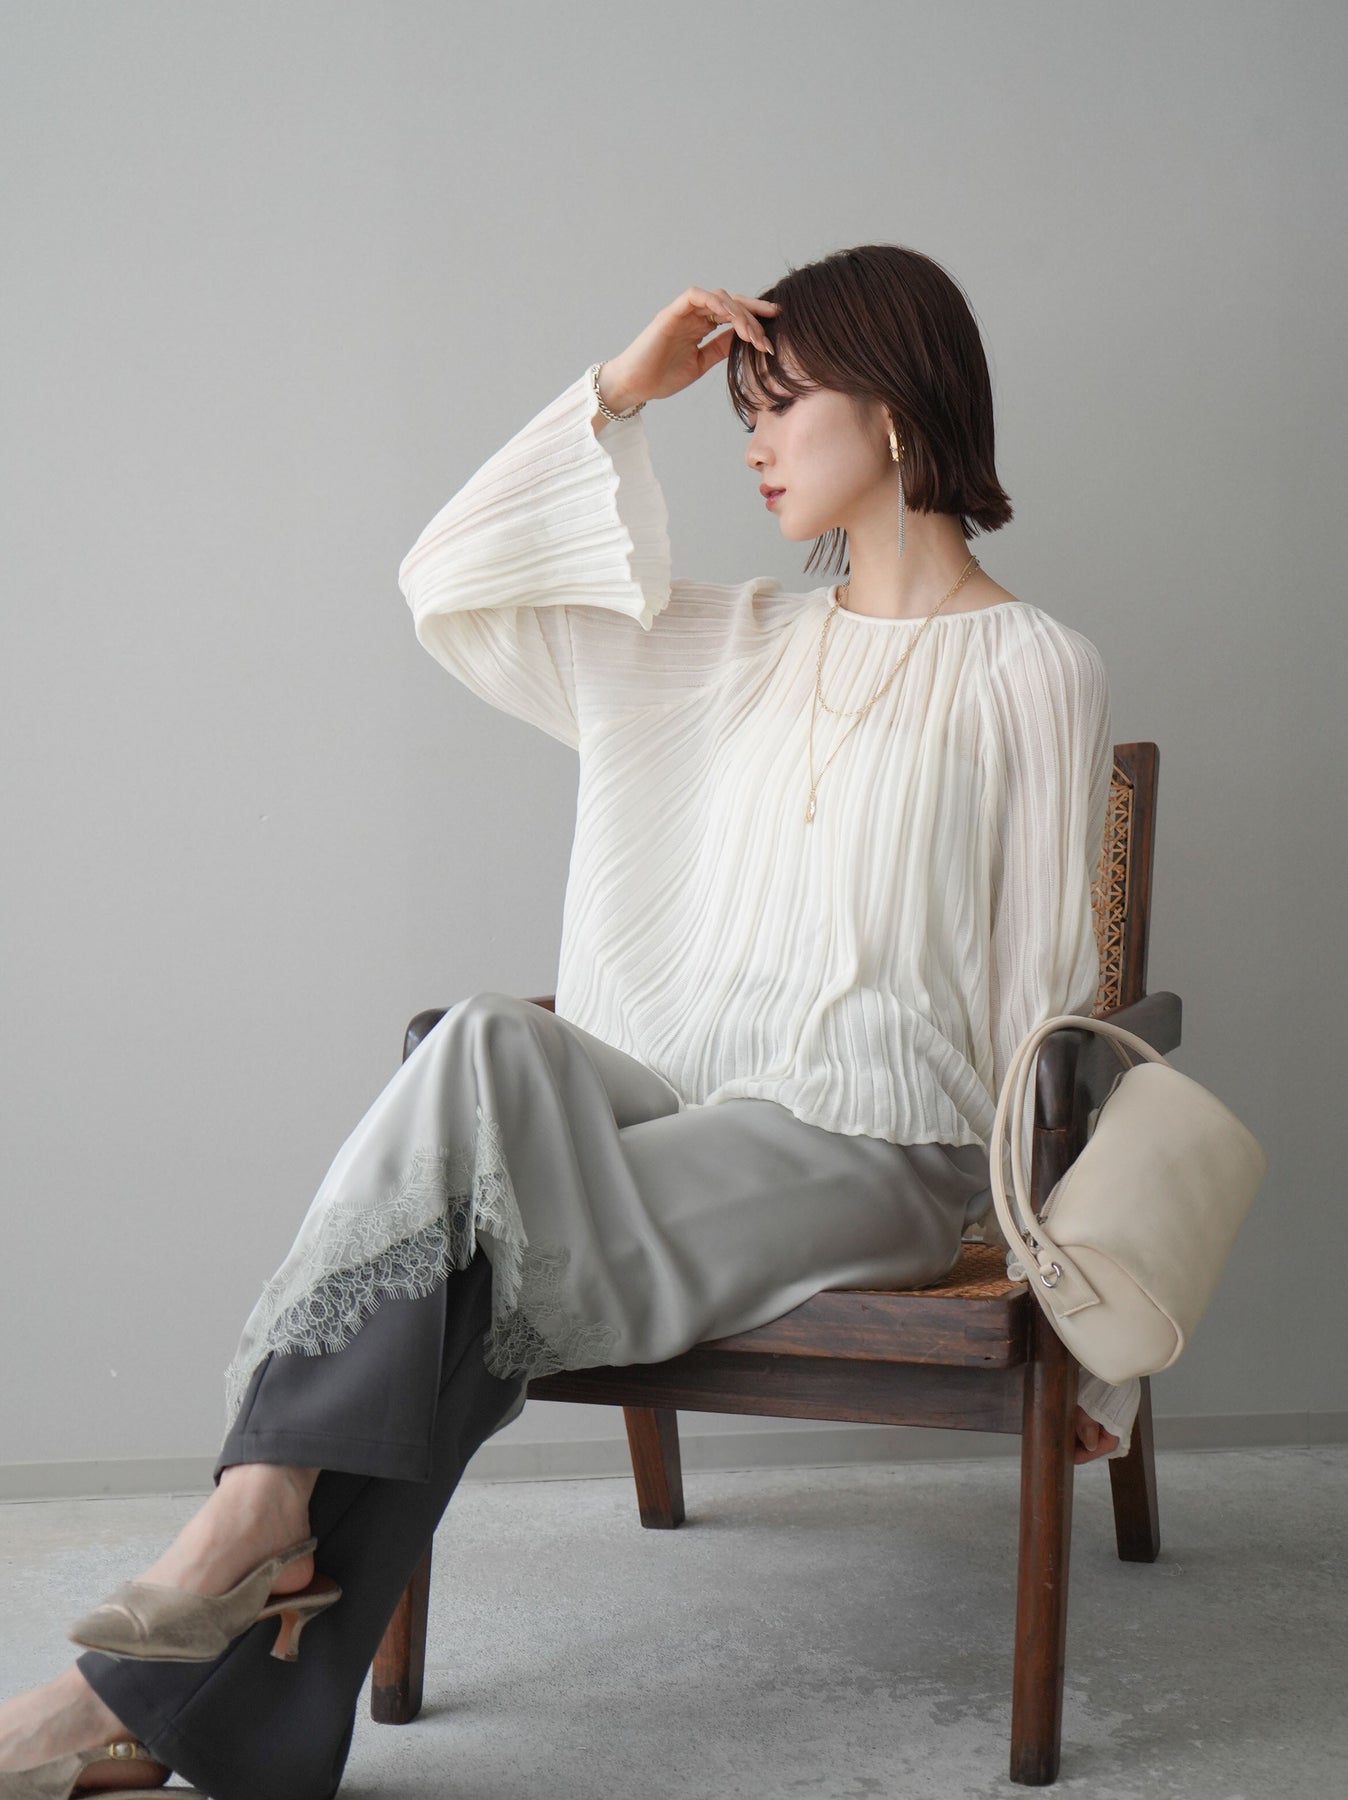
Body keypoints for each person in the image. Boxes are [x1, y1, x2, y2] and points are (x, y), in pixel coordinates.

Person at [0, 244, 1140, 1800]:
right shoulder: (727, 644)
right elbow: (448, 584)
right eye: (742, 407)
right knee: (473, 1045)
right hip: (692, 1111)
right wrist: (615, 392)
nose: (751, 440)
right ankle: (252, 1540)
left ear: (893, 409)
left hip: (881, 1154)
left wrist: (1088, 1344)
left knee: (466, 1248)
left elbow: (1050, 1018)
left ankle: (153, 1659)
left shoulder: (1036, 668)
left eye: (780, 403)